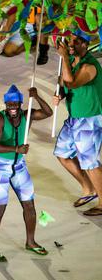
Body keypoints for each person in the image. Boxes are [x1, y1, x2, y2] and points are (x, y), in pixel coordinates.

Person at [0, 85, 52, 261]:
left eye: (16, 104)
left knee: (29, 205)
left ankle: (30, 242)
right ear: (5, 104)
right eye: (9, 104)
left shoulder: (27, 116)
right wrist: (16, 148)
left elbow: (48, 113)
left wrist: (36, 96)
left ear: (21, 103)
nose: (12, 107)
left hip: (19, 166)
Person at [53, 31, 102, 216]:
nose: (71, 44)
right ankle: (89, 189)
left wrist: (65, 56)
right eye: (70, 41)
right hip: (75, 118)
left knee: (90, 163)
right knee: (62, 154)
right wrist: (60, 95)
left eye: (76, 42)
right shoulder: (72, 62)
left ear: (86, 44)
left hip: (90, 120)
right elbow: (65, 86)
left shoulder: (89, 66)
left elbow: (71, 82)